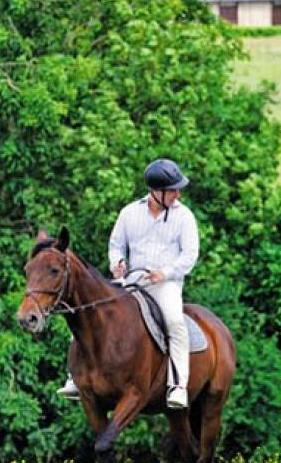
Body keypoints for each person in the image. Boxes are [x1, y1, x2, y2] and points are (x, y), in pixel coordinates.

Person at [57, 158, 200, 408]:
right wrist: (117, 262)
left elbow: (189, 255)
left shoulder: (184, 217)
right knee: (87, 315)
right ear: (157, 192)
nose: (178, 193)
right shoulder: (129, 212)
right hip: (131, 280)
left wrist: (164, 273)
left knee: (175, 322)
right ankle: (74, 378)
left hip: (165, 284)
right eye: (173, 190)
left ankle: (177, 386)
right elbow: (116, 245)